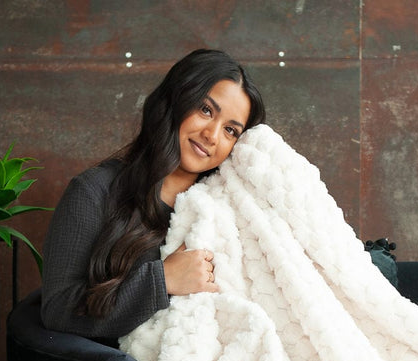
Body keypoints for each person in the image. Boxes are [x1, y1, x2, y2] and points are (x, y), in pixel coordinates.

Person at [40, 49, 266, 341]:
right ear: (176, 101)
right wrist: (162, 280)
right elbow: (57, 310)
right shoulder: (94, 192)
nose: (212, 135)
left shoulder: (227, 210)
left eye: (231, 131)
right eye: (206, 110)